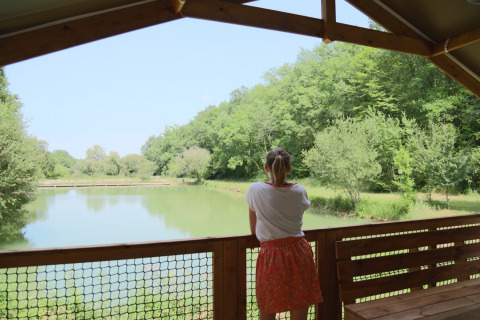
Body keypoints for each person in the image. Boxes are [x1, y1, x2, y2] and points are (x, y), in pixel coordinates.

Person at [244, 148, 323, 320]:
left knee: (268, 308)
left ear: (266, 168)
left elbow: (253, 229)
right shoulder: (299, 191)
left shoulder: (255, 189)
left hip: (272, 255)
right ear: (288, 169)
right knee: (299, 308)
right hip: (299, 252)